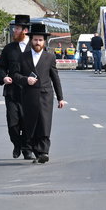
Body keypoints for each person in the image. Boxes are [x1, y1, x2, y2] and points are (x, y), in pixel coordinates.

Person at [15, 23, 66, 163]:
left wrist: (60, 98)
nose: (38, 42)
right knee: (32, 124)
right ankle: (36, 151)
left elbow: (55, 78)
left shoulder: (49, 57)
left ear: (44, 42)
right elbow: (15, 75)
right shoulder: (23, 57)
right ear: (31, 40)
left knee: (44, 123)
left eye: (40, 40)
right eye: (35, 40)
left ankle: (44, 152)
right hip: (28, 96)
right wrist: (26, 80)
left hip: (45, 95)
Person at [0, 13, 33, 159]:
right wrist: (4, 77)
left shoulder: (34, 47)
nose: (14, 31)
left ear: (25, 30)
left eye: (17, 28)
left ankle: (27, 148)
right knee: (13, 123)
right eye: (14, 28)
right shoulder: (9, 48)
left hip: (29, 92)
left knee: (28, 122)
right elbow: (0, 67)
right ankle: (17, 144)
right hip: (12, 92)